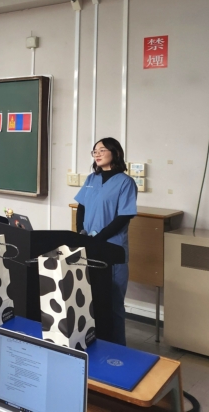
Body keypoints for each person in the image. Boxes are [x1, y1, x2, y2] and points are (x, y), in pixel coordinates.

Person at [74, 137, 137, 346]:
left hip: (112, 247)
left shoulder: (125, 182)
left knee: (114, 303)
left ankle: (118, 349)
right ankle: (97, 344)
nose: (97, 154)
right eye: (95, 151)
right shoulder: (92, 179)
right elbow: (81, 207)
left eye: (102, 150)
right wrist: (80, 233)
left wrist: (99, 238)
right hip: (90, 246)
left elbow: (124, 216)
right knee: (93, 299)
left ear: (115, 153)